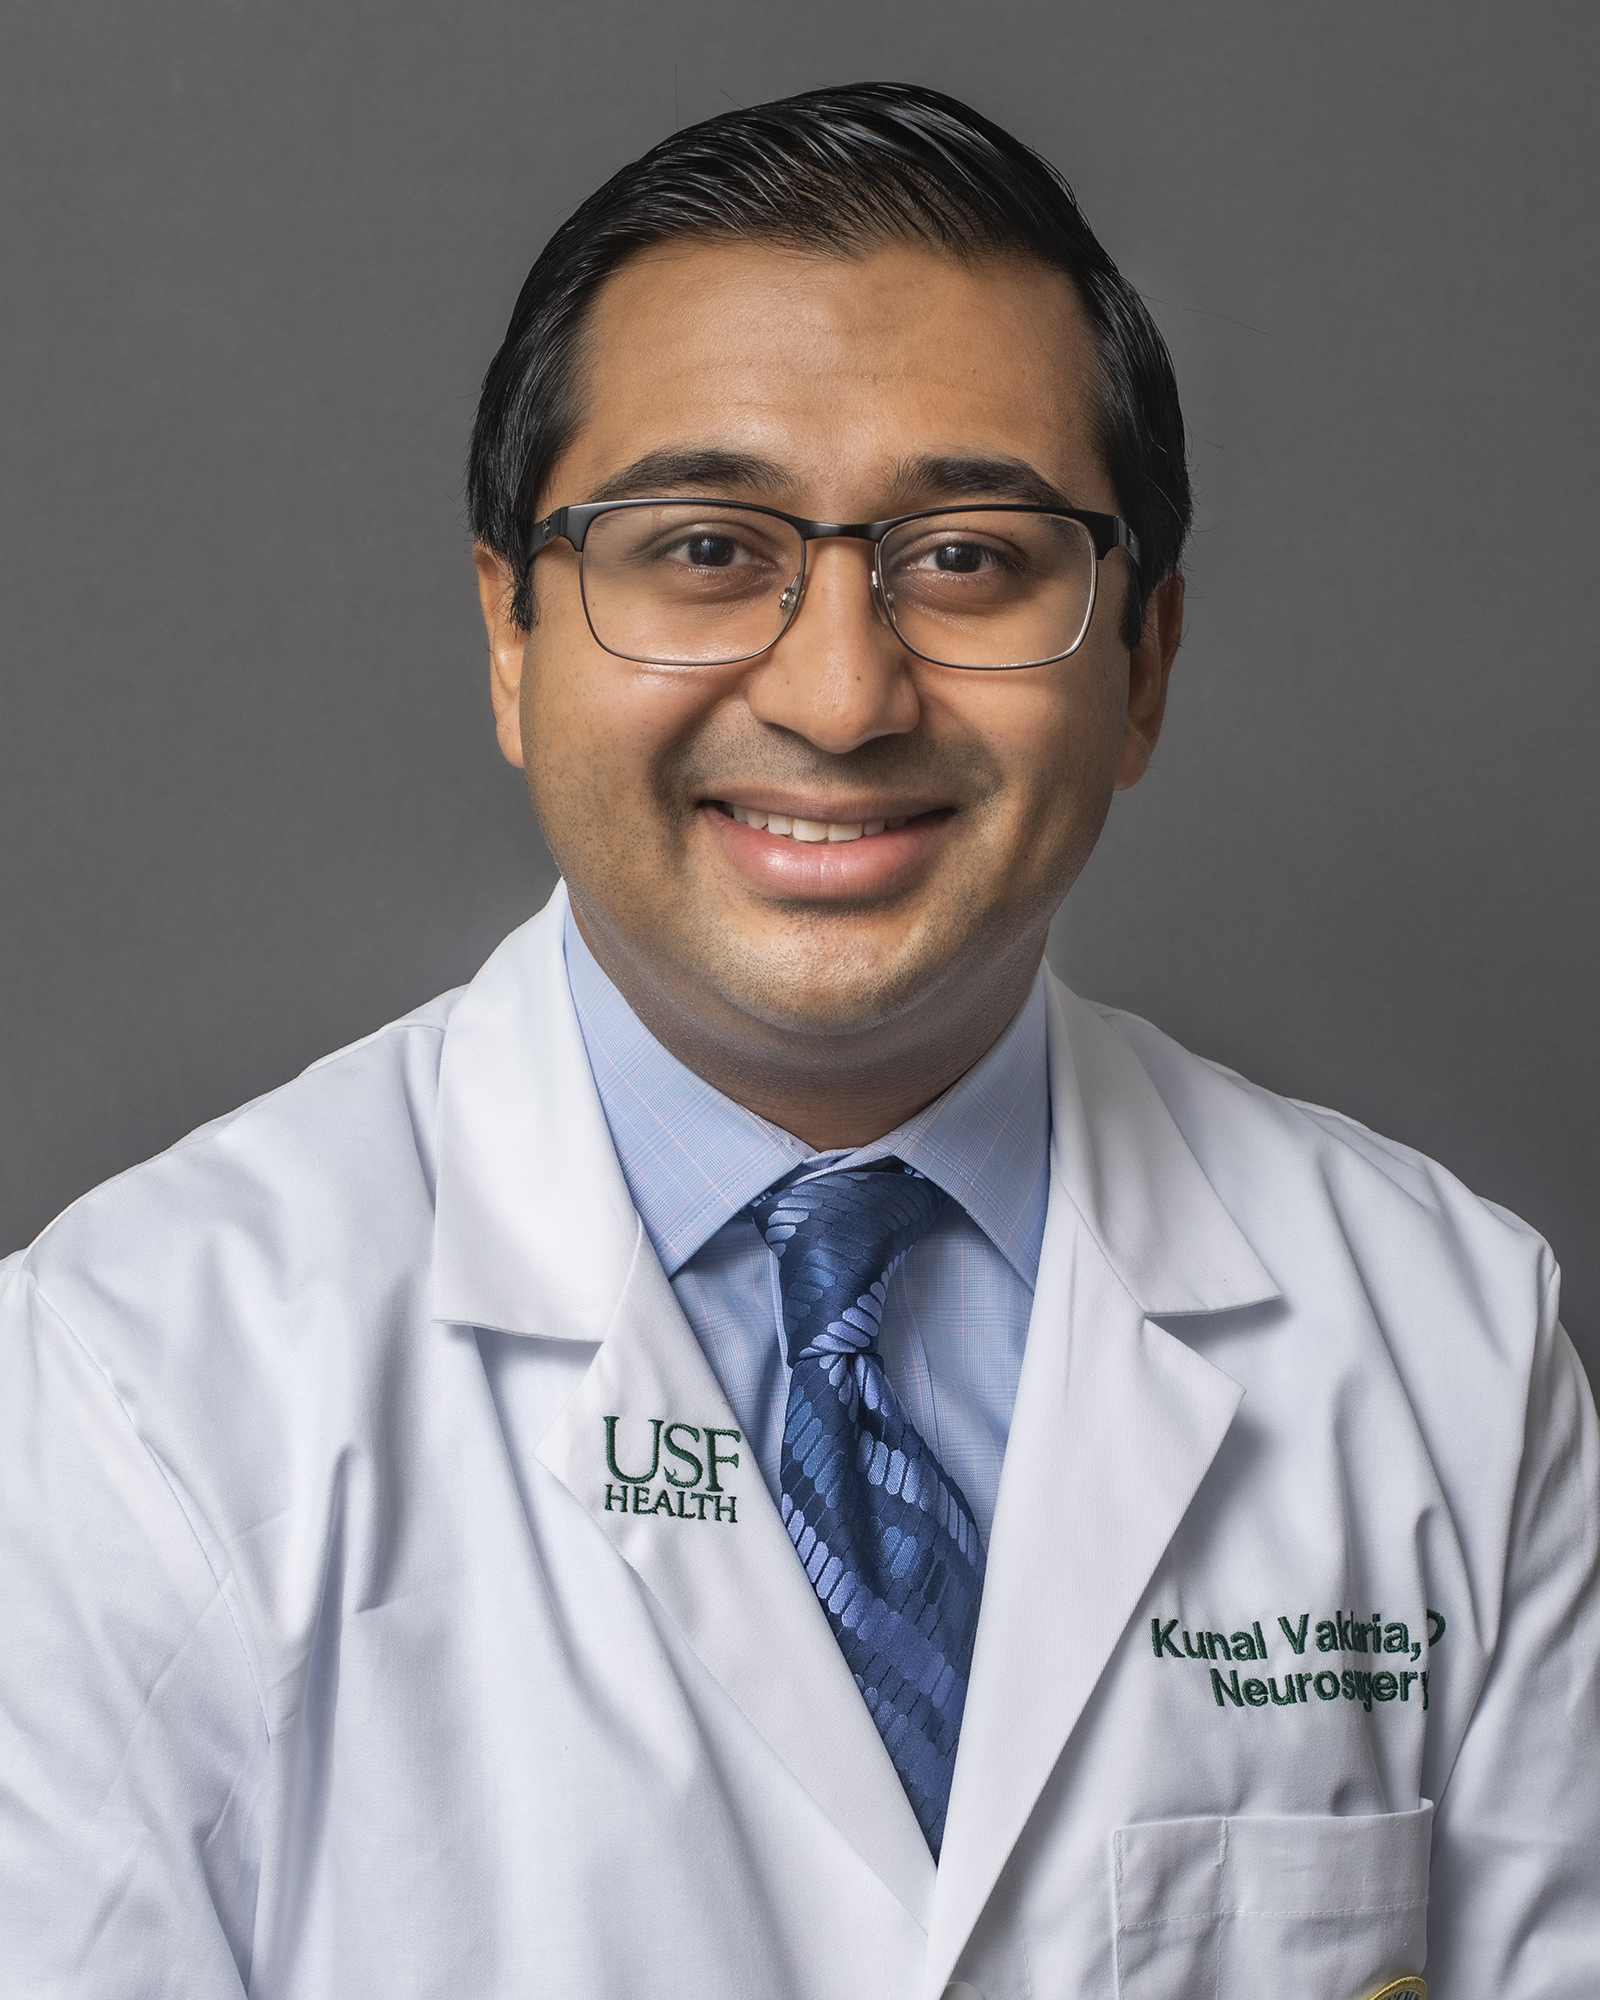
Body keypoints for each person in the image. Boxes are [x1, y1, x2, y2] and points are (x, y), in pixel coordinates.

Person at [1, 80, 1594, 2000]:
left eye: (971, 558)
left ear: (1147, 662)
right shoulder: (134, 1391)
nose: (841, 697)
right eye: (702, 548)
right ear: (513, 637)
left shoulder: (1446, 1338)